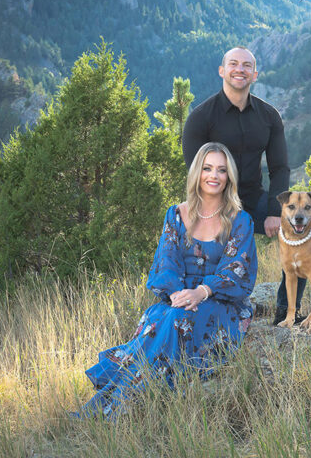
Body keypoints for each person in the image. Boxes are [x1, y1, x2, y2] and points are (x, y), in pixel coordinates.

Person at [75, 142, 257, 419]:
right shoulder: (176, 214)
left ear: (229, 176)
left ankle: (122, 408)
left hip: (219, 301)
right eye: (207, 168)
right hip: (179, 298)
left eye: (222, 170)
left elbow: (236, 270)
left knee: (175, 320)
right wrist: (176, 294)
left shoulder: (240, 220)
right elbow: (166, 261)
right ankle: (116, 405)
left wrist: (201, 292)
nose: (214, 176)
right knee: (159, 318)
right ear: (197, 172)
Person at [182, 46, 306, 325]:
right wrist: (214, 214)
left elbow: (280, 168)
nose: (240, 69)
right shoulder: (201, 118)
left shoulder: (269, 116)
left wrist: (275, 212)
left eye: (247, 65)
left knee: (300, 230)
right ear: (222, 71)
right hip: (212, 202)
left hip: (253, 198)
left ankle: (287, 312)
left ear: (255, 74)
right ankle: (200, 311)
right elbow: (196, 174)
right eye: (234, 64)